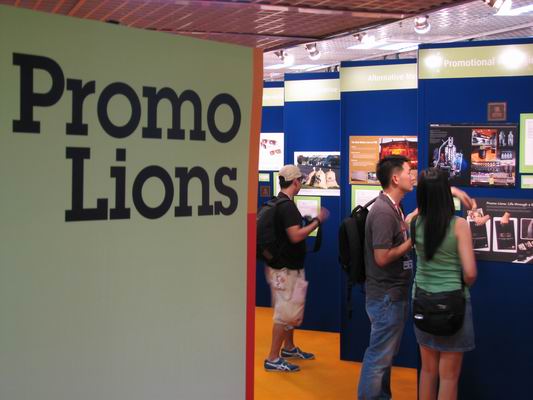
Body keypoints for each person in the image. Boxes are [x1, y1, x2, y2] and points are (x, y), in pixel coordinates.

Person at [412, 168, 477, 400]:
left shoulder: (414, 222)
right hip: (453, 302)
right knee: (448, 377)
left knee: (428, 371)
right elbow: (470, 273)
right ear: (445, 194)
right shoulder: (459, 225)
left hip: (422, 300)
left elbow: (416, 212)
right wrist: (454, 191)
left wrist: (439, 193)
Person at [357, 155, 416, 400]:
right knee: (379, 357)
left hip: (390, 295)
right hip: (386, 297)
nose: (412, 176)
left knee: (384, 355)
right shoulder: (383, 212)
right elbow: (381, 257)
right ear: (395, 178)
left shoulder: (393, 207)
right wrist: (412, 242)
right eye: (408, 172)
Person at [264, 164, 329, 372]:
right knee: (284, 313)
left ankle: (289, 347)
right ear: (295, 182)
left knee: (290, 310)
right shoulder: (288, 207)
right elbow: (295, 236)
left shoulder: (278, 203)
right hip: (286, 269)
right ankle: (273, 358)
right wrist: (317, 221)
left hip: (284, 267)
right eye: (300, 180)